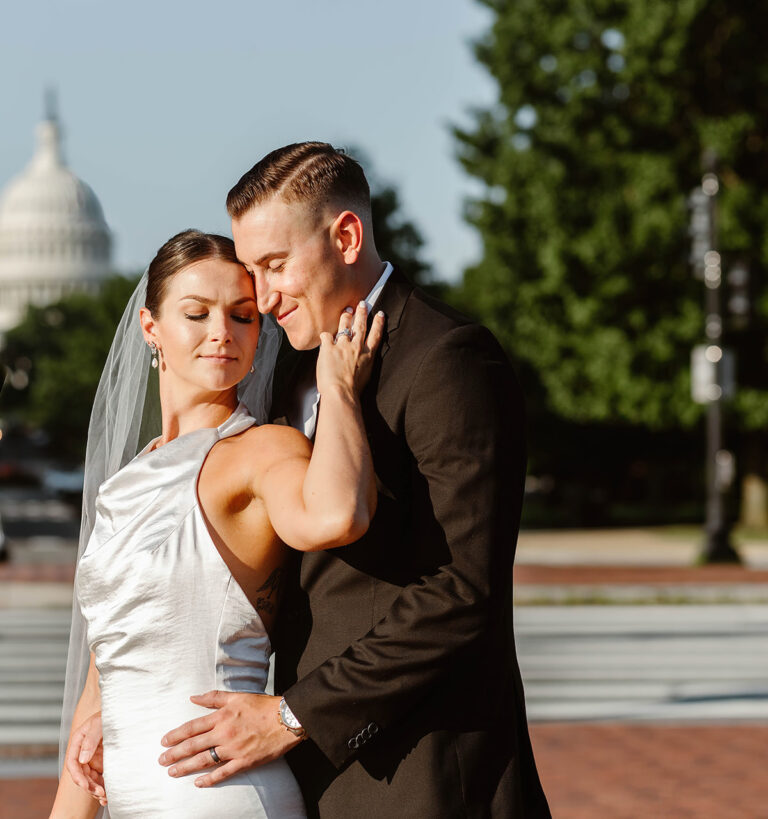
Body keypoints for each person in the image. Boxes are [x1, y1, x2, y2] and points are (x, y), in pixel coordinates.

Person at [141, 143, 551, 817]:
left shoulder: (448, 360)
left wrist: (294, 715)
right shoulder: (284, 369)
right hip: (310, 778)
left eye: (275, 265)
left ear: (348, 235)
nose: (263, 296)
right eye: (252, 270)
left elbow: (463, 591)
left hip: (424, 775)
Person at [50, 228, 385, 819]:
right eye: (196, 313)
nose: (221, 334)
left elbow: (337, 515)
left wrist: (339, 391)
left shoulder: (262, 450)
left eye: (243, 315)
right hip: (129, 799)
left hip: (218, 795)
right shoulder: (122, 485)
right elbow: (103, 676)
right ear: (150, 328)